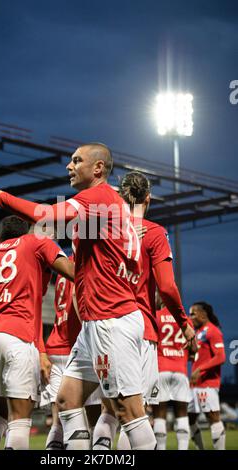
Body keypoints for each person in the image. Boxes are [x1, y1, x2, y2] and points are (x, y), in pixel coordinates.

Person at [0, 143, 195, 450]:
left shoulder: (96, 198)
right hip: (96, 323)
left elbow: (45, 215)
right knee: (67, 399)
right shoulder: (112, 205)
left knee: (128, 410)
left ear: (98, 168)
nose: (69, 167)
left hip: (110, 320)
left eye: (76, 161)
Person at [92, 170, 196, 450]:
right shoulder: (154, 232)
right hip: (139, 329)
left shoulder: (101, 231)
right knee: (138, 414)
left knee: (110, 411)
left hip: (102, 326)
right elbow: (167, 287)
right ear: (148, 198)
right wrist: (184, 322)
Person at [0, 215, 74, 450]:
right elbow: (73, 272)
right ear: (27, 233)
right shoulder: (35, 242)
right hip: (16, 337)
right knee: (20, 420)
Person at [41, 254, 101, 450]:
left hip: (55, 346)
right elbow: (78, 294)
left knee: (58, 420)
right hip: (78, 347)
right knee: (94, 417)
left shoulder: (63, 263)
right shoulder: (87, 260)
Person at [152, 292, 191, 450]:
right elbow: (194, 347)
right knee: (182, 413)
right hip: (181, 370)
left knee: (159, 414)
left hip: (161, 369)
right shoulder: (186, 320)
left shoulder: (156, 316)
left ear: (162, 298)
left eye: (157, 295)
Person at [188, 301, 226, 450]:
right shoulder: (198, 332)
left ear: (203, 315)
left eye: (193, 314)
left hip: (208, 384)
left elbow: (221, 357)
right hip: (195, 384)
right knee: (189, 419)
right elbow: (201, 355)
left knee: (213, 418)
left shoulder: (213, 331)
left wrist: (199, 369)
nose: (190, 317)